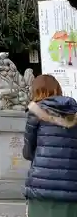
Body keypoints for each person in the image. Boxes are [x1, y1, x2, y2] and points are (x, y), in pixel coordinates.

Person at [23, 74, 77, 217]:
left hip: (42, 186)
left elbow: (28, 152)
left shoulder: (36, 112)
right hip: (72, 187)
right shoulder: (75, 113)